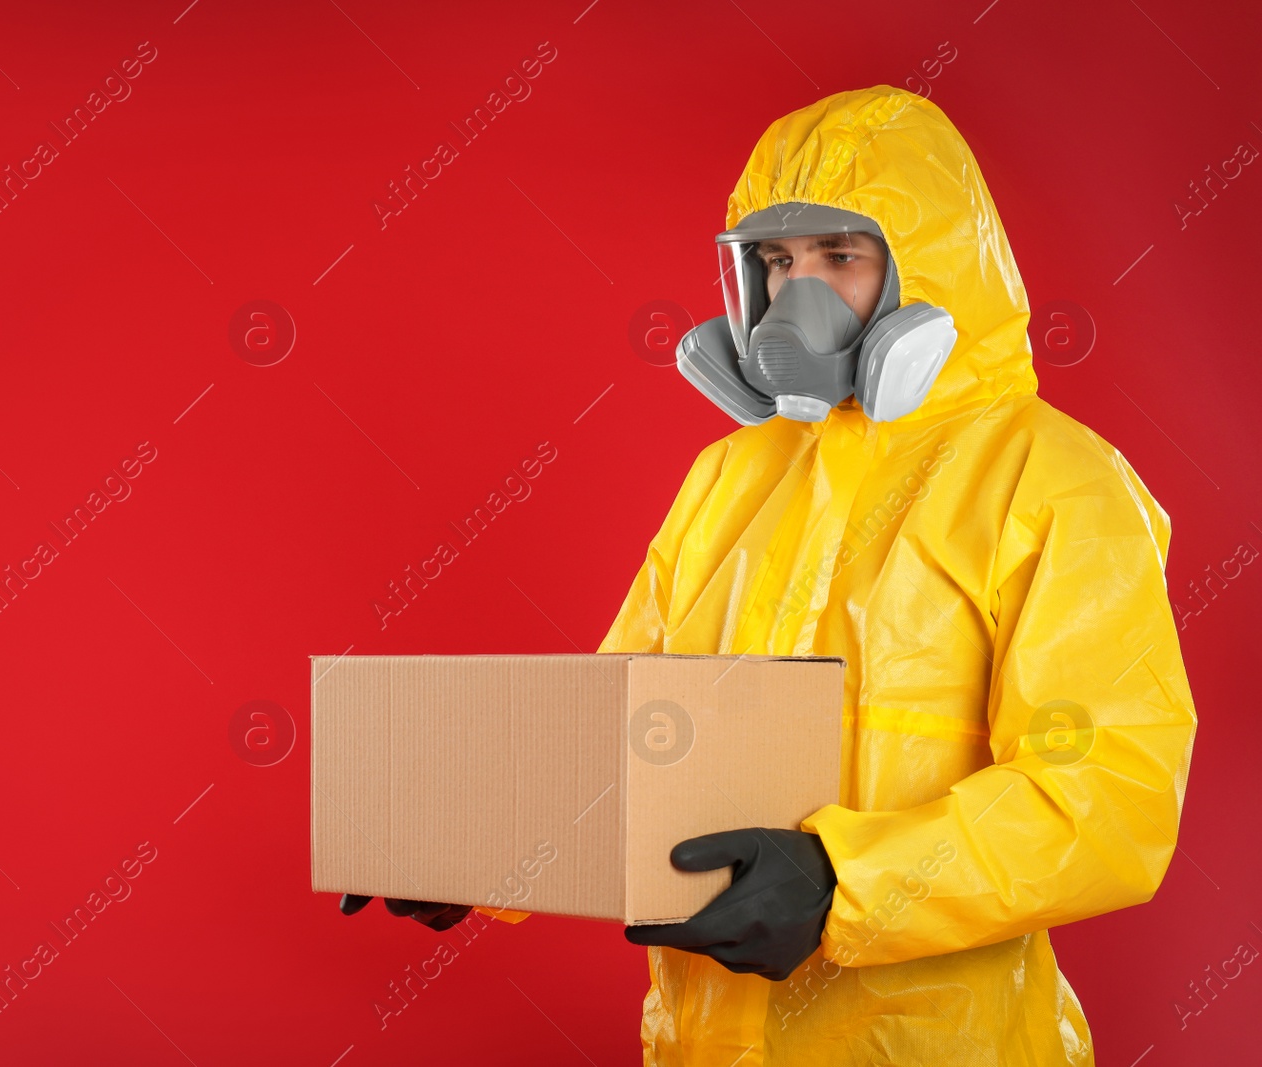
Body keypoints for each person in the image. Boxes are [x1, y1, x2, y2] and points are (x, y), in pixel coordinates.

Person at [345, 85, 1199, 1066]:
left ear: (931, 266)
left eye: (838, 254)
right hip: (703, 1039)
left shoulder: (1054, 482)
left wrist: (845, 878)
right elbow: (630, 732)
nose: (795, 294)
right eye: (773, 260)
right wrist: (483, 848)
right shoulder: (728, 476)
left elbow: (1106, 792)